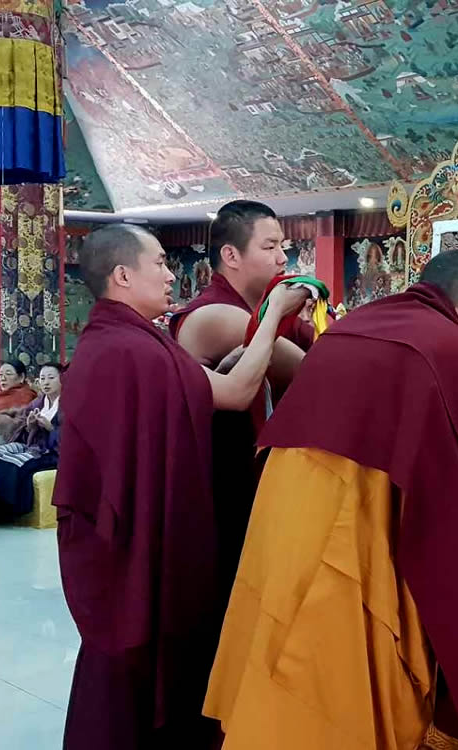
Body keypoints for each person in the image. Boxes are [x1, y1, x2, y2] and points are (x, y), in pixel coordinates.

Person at [204, 251, 458, 750]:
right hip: (354, 527)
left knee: (277, 639)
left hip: (281, 516)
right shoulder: (451, 345)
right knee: (341, 673)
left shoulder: (352, 325)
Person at [53, 224, 309, 750]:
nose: (173, 275)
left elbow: (201, 390)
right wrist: (273, 316)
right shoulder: (135, 349)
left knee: (118, 668)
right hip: (134, 544)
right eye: (161, 265)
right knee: (139, 673)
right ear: (123, 275)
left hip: (115, 536)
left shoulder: (119, 342)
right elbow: (237, 393)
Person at [170, 200, 309, 610]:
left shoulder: (253, 312)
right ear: (231, 255)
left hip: (247, 479)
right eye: (269, 246)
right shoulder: (217, 315)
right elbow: (314, 373)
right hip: (222, 489)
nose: (282, 257)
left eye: (282, 245)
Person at [0, 363, 64, 521]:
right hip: (32, 444)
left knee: (13, 464)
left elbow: (71, 436)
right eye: (42, 378)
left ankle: (5, 510)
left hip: (51, 451)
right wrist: (30, 426)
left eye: (51, 378)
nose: (46, 382)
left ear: (62, 379)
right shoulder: (39, 402)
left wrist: (50, 428)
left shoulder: (68, 404)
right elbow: (22, 429)